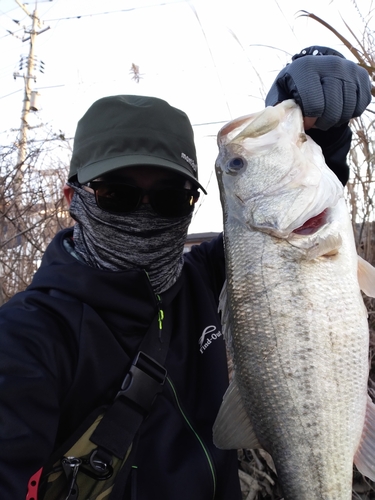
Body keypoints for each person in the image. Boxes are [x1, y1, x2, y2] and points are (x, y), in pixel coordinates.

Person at [0, 46, 371, 500]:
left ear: (193, 204)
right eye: (115, 193)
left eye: (171, 197)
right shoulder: (24, 339)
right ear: (71, 197)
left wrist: (311, 109)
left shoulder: (218, 275)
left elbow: (293, 219)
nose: (145, 212)